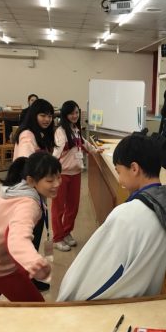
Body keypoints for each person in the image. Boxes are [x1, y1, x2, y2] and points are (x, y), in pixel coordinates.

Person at [57, 134, 166, 301]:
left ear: (134, 168)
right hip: (147, 302)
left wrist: (66, 299)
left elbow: (90, 274)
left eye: (119, 172)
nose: (120, 180)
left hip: (116, 304)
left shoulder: (126, 215)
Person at [0, 152, 61, 302]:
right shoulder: (28, 204)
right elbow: (17, 237)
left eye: (58, 177)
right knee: (35, 305)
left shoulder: (17, 187)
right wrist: (33, 261)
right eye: (50, 180)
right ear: (31, 180)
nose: (57, 184)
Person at [13, 98, 56, 291]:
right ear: (33, 115)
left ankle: (29, 277)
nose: (47, 119)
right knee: (29, 236)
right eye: (43, 115)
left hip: (37, 192)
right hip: (28, 195)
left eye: (50, 116)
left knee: (35, 235)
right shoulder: (27, 135)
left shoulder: (40, 134)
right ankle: (25, 280)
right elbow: (26, 162)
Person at [52, 100, 104, 252]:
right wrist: (50, 169)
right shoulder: (60, 131)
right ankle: (57, 238)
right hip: (61, 174)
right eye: (71, 113)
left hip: (76, 173)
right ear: (65, 114)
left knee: (73, 207)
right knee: (58, 208)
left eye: (76, 113)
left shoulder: (75, 128)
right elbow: (56, 152)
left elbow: (83, 142)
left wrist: (94, 150)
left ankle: (66, 232)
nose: (74, 116)